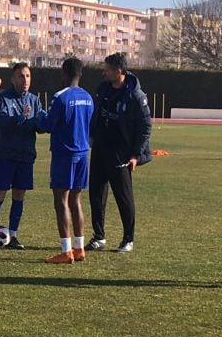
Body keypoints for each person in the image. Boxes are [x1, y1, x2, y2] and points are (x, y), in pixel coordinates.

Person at [86, 52, 152, 253]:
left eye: (107, 69)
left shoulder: (135, 95)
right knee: (96, 194)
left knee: (123, 196)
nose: (104, 72)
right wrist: (92, 135)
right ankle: (99, 237)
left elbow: (145, 128)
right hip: (100, 148)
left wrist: (135, 155)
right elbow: (96, 114)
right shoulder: (103, 89)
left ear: (119, 71)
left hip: (121, 152)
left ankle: (128, 239)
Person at [36, 58, 94, 264]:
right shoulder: (88, 97)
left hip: (64, 154)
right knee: (76, 200)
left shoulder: (60, 97)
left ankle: (66, 250)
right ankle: (80, 248)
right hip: (83, 154)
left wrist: (37, 116)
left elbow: (48, 124)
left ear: (65, 74)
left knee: (61, 201)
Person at [0, 62, 43, 250]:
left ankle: (14, 235)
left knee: (19, 195)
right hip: (6, 155)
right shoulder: (3, 98)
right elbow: (0, 122)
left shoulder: (34, 100)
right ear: (13, 79)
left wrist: (48, 122)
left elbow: (40, 124)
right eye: (21, 76)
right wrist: (21, 119)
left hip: (25, 156)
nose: (25, 80)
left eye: (28, 76)